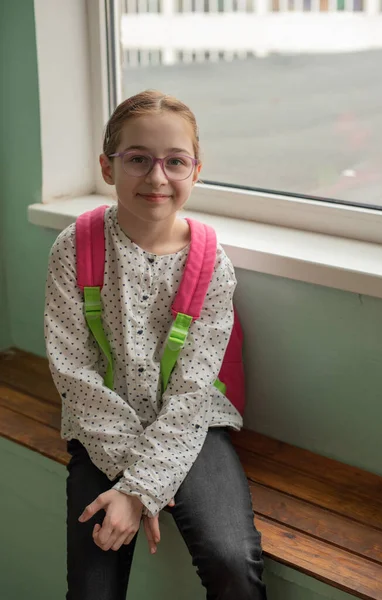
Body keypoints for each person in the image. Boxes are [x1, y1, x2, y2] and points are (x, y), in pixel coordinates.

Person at [44, 90, 267, 600]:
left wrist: (138, 490)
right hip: (102, 423)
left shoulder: (212, 265)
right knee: (92, 586)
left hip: (189, 426)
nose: (157, 177)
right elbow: (73, 373)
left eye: (175, 162)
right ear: (107, 166)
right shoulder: (74, 250)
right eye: (138, 159)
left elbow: (192, 392)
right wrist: (132, 486)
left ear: (196, 170)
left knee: (233, 560)